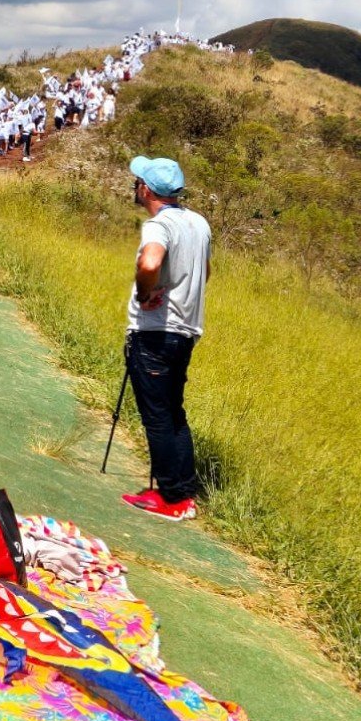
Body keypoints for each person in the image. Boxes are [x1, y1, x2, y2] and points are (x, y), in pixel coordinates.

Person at [121, 156, 212, 522]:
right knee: (174, 413)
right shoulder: (199, 223)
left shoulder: (158, 225)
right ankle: (184, 492)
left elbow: (149, 263)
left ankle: (171, 496)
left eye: (137, 181)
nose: (135, 187)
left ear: (146, 189)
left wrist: (146, 295)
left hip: (156, 331)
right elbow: (205, 272)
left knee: (157, 417)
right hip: (186, 330)